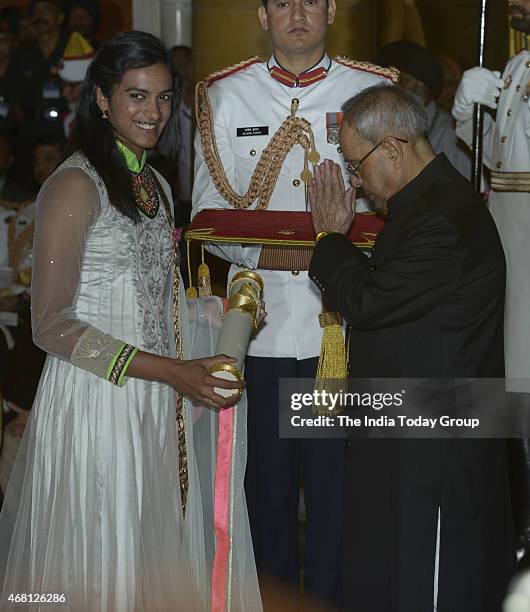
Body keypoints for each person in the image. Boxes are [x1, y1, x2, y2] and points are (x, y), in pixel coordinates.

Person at [0, 30, 262, 611]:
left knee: (150, 563)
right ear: (101, 98)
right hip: (97, 403)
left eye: (165, 98)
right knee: (103, 561)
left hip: (153, 403)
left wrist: (219, 315)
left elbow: (151, 299)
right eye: (138, 96)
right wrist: (171, 371)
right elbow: (50, 326)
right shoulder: (73, 184)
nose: (155, 112)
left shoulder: (156, 185)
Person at [192, 0, 398, 607]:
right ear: (262, 16)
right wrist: (278, 259)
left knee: (341, 502)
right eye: (282, 1)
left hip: (345, 329)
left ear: (332, 10)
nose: (297, 12)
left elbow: (396, 207)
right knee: (268, 503)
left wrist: (334, 259)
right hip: (262, 332)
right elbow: (207, 215)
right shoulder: (228, 96)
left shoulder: (370, 90)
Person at [308, 84, 515, 611]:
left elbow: (368, 302)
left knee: (430, 583)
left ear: (394, 150)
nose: (355, 183)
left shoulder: (440, 219)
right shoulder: (425, 202)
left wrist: (332, 239)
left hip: (438, 448)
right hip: (411, 430)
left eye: (356, 166)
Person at [452, 0, 530, 560]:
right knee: (510, 383)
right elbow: (491, 164)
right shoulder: (518, 67)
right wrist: (466, 114)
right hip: (507, 240)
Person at [378, 41, 472, 178]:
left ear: (424, 89)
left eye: (402, 81)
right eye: (388, 82)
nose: (393, 88)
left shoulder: (451, 134)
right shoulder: (381, 123)